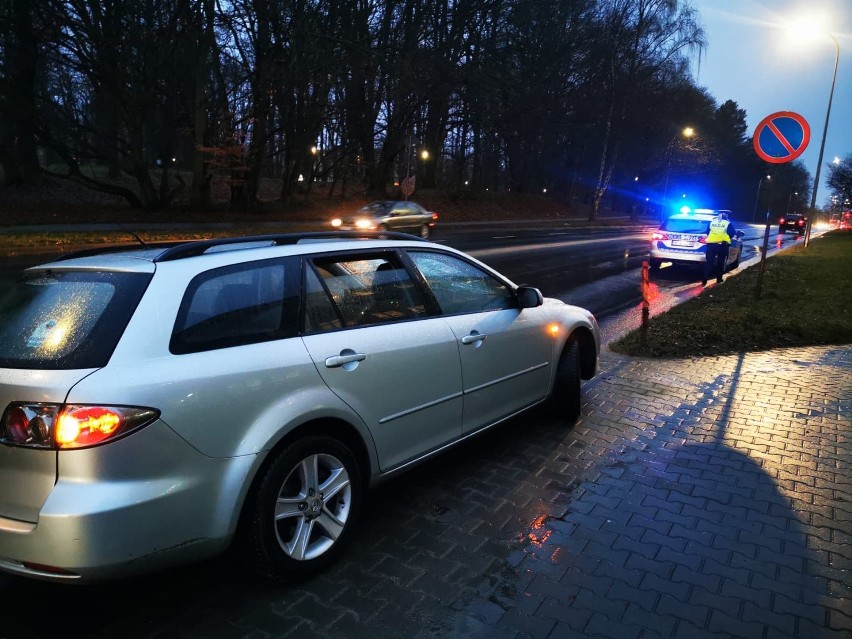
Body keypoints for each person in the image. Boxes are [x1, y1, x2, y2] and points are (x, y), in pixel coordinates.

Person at [703, 211, 736, 286]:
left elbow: (708, 232)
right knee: (720, 263)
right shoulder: (727, 223)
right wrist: (726, 237)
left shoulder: (712, 222)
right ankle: (719, 279)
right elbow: (732, 233)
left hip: (711, 245)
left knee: (709, 262)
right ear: (726, 217)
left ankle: (704, 278)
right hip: (722, 245)